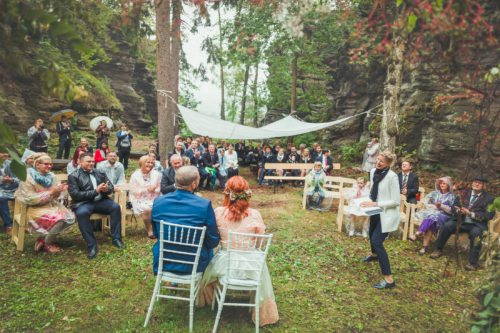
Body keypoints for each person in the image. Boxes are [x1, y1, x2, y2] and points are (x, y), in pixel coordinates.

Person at [197, 176, 279, 327]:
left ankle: (211, 299)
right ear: (247, 193)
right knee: (258, 262)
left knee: (208, 276)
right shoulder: (255, 214)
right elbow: (259, 245)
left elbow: (215, 236)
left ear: (227, 193)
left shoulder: (218, 212)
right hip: (251, 267)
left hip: (224, 266)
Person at [150, 166, 221, 275]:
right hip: (194, 263)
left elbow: (156, 233)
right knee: (208, 248)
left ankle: (171, 280)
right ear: (193, 184)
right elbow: (212, 240)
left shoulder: (158, 202)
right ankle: (203, 282)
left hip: (165, 259)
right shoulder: (204, 205)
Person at [430, 175, 496, 271]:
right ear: (472, 183)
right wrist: (458, 211)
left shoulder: (490, 199)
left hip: (476, 224)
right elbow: (454, 207)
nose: (477, 184)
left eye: (480, 183)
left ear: (484, 186)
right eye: (475, 181)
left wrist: (471, 214)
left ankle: (473, 262)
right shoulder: (464, 193)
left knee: (476, 234)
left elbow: (488, 215)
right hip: (460, 220)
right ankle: (438, 249)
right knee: (447, 225)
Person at [68, 153, 126, 259]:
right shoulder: (74, 176)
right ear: (80, 162)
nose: (91, 163)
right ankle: (92, 245)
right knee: (82, 213)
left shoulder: (100, 172)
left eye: (92, 161)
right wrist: (95, 191)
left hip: (101, 201)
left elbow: (111, 186)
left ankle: (116, 239)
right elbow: (75, 195)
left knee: (115, 207)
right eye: (88, 161)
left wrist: (106, 189)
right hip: (84, 203)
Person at [18, 153, 76, 253]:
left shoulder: (51, 176)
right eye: (46, 164)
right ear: (37, 165)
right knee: (59, 220)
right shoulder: (27, 178)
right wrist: (50, 193)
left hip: (51, 206)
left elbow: (56, 195)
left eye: (51, 164)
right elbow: (29, 199)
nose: (49, 166)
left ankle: (44, 239)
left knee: (71, 217)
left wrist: (60, 191)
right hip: (34, 209)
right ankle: (48, 244)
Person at [359, 150, 400, 289]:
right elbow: (373, 191)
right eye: (377, 159)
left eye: (381, 161)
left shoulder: (393, 177)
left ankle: (389, 280)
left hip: (387, 213)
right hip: (375, 210)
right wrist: (365, 201)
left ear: (389, 163)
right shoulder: (372, 172)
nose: (378, 162)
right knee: (371, 233)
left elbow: (396, 201)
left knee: (377, 241)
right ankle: (374, 255)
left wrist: (375, 203)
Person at [408, 177, 456, 255]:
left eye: (444, 183)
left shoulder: (453, 196)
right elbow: (428, 205)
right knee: (431, 219)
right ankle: (424, 246)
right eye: (441, 183)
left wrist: (441, 206)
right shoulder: (435, 193)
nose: (442, 185)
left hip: (444, 216)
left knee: (431, 217)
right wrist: (436, 206)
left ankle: (417, 234)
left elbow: (452, 211)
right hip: (432, 213)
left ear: (449, 185)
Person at [129, 155, 162, 239]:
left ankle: (159, 228)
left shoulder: (156, 174)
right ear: (142, 163)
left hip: (154, 198)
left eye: (151, 163)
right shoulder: (135, 176)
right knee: (147, 209)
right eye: (148, 162)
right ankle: (149, 229)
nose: (150, 164)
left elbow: (160, 188)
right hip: (140, 199)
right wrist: (147, 190)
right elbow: (134, 192)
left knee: (162, 207)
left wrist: (155, 190)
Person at [0, 152, 20, 235]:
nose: (5, 154)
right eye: (2, 152)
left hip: (12, 189)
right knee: (1, 197)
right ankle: (8, 225)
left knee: (26, 194)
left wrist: (12, 181)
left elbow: (20, 178)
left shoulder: (12, 164)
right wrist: (2, 180)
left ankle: (23, 223)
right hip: (1, 190)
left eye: (6, 153)